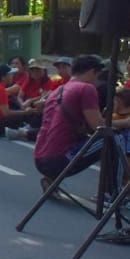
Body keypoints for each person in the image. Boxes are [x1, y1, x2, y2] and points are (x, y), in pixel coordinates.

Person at [32, 55, 108, 184]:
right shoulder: (87, 88)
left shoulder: (58, 90)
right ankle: (113, 193)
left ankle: (51, 179)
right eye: (97, 75)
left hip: (39, 158)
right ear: (92, 71)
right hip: (59, 160)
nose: (97, 80)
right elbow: (98, 127)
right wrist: (125, 123)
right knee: (114, 139)